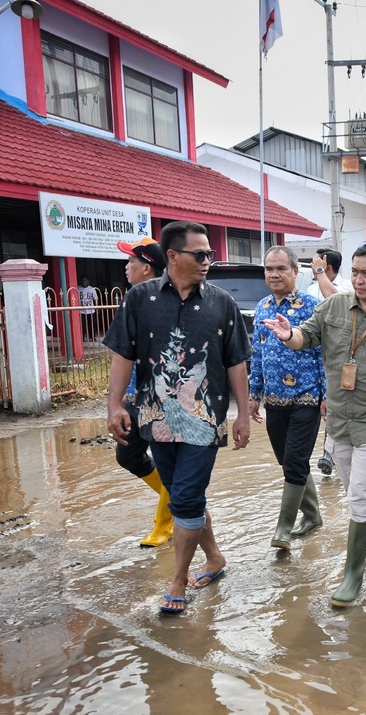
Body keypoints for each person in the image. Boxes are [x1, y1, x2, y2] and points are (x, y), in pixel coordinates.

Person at [264, 241, 366, 607]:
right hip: (339, 419)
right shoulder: (335, 305)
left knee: (360, 495)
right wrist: (289, 335)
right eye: (355, 272)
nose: (359, 279)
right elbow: (306, 336)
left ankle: (353, 575)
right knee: (361, 487)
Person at [105, 220, 251, 616]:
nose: (207, 261)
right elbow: (123, 354)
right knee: (186, 498)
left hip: (204, 420)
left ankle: (177, 581)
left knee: (185, 497)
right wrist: (114, 405)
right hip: (154, 417)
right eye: (199, 254)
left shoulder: (222, 303)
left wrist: (242, 415)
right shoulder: (140, 299)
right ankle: (216, 557)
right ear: (172, 256)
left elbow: (236, 362)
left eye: (210, 255)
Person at [110, 236, 187, 549]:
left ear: (147, 268)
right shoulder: (133, 299)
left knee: (167, 458)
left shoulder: (169, 302)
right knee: (127, 454)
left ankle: (164, 524)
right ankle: (179, 501)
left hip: (164, 397)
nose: (127, 267)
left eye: (131, 261)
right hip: (133, 395)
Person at [249, 245, 325, 554]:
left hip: (307, 397)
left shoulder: (312, 305)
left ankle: (283, 527)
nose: (274, 274)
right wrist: (254, 395)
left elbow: (325, 353)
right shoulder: (263, 306)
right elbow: (257, 355)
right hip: (274, 401)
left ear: (295, 272)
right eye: (269, 269)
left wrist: (327, 394)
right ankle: (314, 515)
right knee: (288, 462)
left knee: (294, 461)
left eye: (281, 268)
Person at [306, 248, 348, 476]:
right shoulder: (312, 288)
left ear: (326, 265)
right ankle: (329, 453)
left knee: (335, 404)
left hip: (339, 356)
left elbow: (334, 300)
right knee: (322, 406)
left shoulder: (347, 287)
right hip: (315, 355)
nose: (312, 267)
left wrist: (319, 271)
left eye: (316, 262)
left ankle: (330, 455)